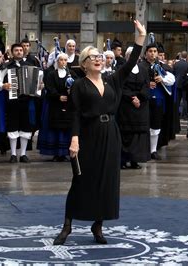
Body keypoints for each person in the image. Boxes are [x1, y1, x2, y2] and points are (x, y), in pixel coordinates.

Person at [53, 20, 146, 246]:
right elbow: (74, 113)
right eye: (92, 57)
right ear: (84, 63)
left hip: (111, 133)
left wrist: (140, 37)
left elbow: (132, 60)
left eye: (99, 56)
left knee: (108, 180)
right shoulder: (79, 85)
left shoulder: (113, 79)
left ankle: (98, 225)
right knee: (81, 180)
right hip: (87, 134)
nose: (98, 59)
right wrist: (74, 140)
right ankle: (67, 226)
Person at [0, 44, 39, 163]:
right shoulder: (6, 66)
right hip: (12, 101)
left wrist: (39, 87)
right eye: (16, 50)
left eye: (20, 50)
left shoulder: (30, 66)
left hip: (26, 101)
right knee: (12, 126)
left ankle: (23, 154)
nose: (19, 52)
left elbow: (37, 83)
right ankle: (13, 154)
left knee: (25, 127)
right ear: (12, 52)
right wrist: (3, 85)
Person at [139, 41, 175, 160]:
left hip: (158, 101)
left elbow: (172, 80)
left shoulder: (162, 66)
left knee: (155, 125)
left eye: (155, 51)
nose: (153, 54)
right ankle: (143, 149)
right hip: (143, 101)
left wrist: (163, 78)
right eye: (150, 51)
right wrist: (146, 84)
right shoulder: (140, 66)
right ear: (145, 54)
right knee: (144, 125)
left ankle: (153, 150)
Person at [37, 52, 76, 161]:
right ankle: (56, 153)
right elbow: (49, 88)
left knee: (66, 128)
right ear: (57, 61)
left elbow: (77, 86)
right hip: (55, 105)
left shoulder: (71, 74)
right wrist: (58, 96)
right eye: (61, 60)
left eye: (65, 60)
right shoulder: (52, 74)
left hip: (68, 106)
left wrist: (71, 92)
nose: (63, 62)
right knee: (55, 128)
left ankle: (64, 153)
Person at [118, 46, 150, 169]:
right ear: (127, 57)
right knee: (126, 134)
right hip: (127, 107)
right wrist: (132, 97)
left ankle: (135, 160)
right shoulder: (122, 70)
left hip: (140, 107)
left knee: (138, 136)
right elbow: (121, 87)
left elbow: (146, 86)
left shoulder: (143, 69)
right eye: (131, 55)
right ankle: (123, 160)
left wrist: (140, 98)